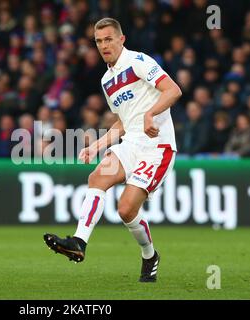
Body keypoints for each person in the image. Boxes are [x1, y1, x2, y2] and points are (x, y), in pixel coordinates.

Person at [44, 18, 182, 283]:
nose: (104, 45)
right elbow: (123, 120)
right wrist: (96, 145)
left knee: (126, 210)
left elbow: (173, 90)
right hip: (131, 143)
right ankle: (79, 242)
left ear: (122, 39)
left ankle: (149, 255)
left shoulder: (139, 62)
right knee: (97, 178)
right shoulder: (107, 80)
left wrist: (151, 114)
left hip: (158, 147)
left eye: (108, 39)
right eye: (98, 41)